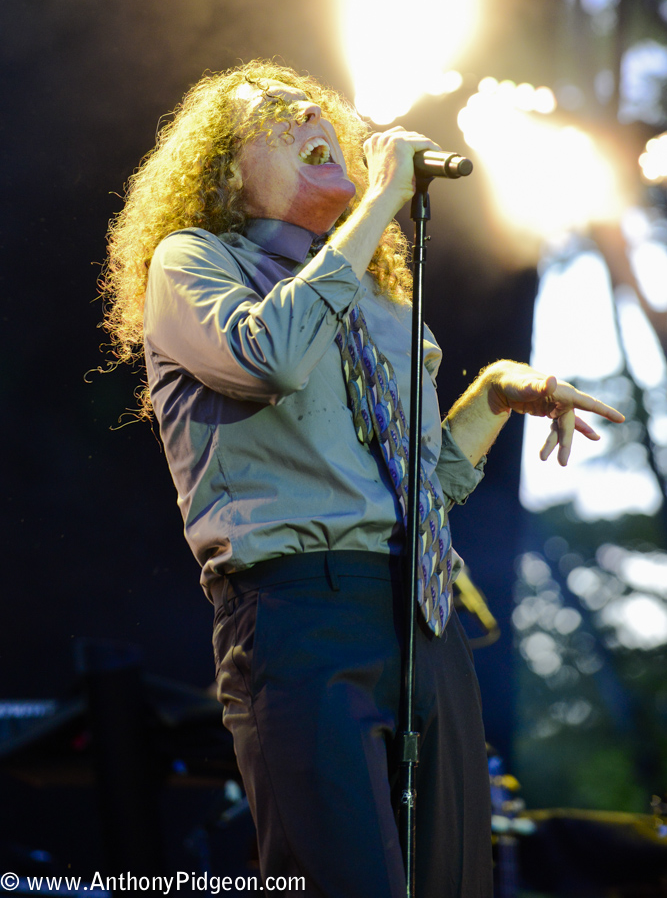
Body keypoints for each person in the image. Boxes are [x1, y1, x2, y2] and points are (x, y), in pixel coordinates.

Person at [101, 60, 624, 898]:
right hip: (299, 608)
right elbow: (263, 358)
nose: (311, 109)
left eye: (313, 105)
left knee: (453, 882)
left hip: (424, 615)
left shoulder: (379, 303)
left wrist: (492, 395)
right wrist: (381, 196)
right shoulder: (193, 261)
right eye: (275, 112)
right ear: (227, 173)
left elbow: (427, 486)